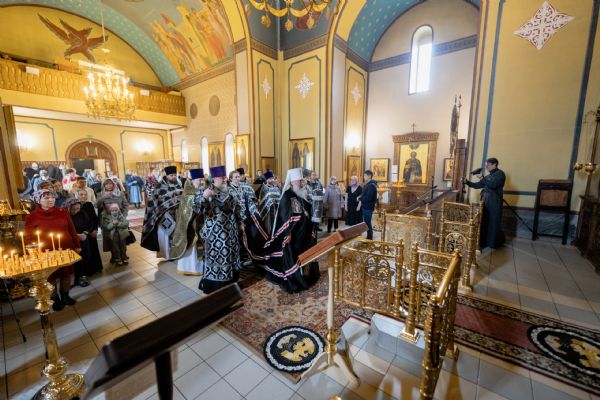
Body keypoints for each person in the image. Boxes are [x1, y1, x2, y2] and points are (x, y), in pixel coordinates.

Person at [262, 168, 320, 293]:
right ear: (293, 182)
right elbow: (284, 217)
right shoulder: (287, 195)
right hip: (294, 234)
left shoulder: (301, 193)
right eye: (299, 180)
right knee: (295, 254)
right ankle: (296, 278)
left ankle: (306, 275)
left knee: (305, 251)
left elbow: (307, 210)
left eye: (301, 180)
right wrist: (288, 233)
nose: (302, 182)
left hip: (304, 232)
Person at [25, 189, 80, 311]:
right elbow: (28, 237)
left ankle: (65, 295)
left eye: (52, 197)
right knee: (51, 276)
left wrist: (77, 245)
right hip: (46, 252)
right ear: (38, 200)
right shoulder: (31, 217)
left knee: (66, 273)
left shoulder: (62, 212)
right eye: (46, 198)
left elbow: (72, 229)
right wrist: (32, 253)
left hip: (65, 249)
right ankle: (55, 298)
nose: (50, 200)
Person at [198, 165, 243, 294]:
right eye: (221, 177)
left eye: (224, 177)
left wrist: (240, 222)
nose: (224, 179)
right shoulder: (207, 191)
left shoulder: (231, 190)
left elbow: (237, 208)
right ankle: (217, 287)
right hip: (215, 234)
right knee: (219, 257)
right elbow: (196, 208)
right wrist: (204, 197)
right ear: (214, 179)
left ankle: (231, 283)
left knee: (231, 256)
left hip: (231, 231)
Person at [141, 166, 183, 259]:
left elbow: (182, 197)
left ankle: (176, 253)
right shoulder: (160, 186)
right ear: (167, 176)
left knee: (177, 234)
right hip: (164, 215)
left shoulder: (179, 184)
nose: (174, 177)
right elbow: (154, 200)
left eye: (175, 175)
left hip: (178, 214)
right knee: (166, 236)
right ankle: (167, 255)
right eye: (171, 175)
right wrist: (164, 207)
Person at [463, 157, 506, 248]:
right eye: (486, 165)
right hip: (485, 202)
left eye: (488, 165)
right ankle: (484, 242)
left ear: (495, 164)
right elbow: (478, 185)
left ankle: (492, 243)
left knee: (493, 222)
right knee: (485, 221)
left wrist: (482, 177)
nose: (486, 167)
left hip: (494, 202)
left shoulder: (500, 174)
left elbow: (493, 185)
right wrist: (467, 182)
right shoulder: (488, 176)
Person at [172, 168, 205, 276]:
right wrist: (203, 199)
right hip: (191, 225)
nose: (202, 182)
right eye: (200, 180)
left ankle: (200, 267)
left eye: (202, 179)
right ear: (193, 180)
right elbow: (191, 207)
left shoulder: (201, 189)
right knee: (192, 245)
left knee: (200, 245)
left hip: (200, 222)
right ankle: (190, 268)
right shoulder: (188, 192)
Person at [63, 198, 93, 286]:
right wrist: (76, 236)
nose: (76, 211)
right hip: (72, 241)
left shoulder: (82, 213)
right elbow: (64, 229)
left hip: (83, 238)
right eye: (73, 209)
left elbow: (89, 223)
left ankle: (82, 276)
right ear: (68, 208)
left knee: (85, 258)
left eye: (78, 208)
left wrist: (85, 233)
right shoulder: (64, 216)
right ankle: (75, 278)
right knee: (75, 260)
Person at [76, 189, 103, 275]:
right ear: (77, 195)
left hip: (92, 231)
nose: (83, 196)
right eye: (81, 194)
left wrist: (95, 229)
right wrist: (85, 232)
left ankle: (97, 268)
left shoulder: (89, 204)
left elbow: (94, 218)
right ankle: (87, 271)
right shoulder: (75, 205)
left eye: (85, 194)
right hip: (82, 233)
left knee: (94, 249)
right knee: (86, 253)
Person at [258, 170, 281, 235]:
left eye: (272, 178)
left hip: (277, 209)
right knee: (270, 226)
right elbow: (262, 200)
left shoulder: (276, 188)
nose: (272, 180)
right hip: (269, 211)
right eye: (270, 179)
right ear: (267, 179)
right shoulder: (264, 188)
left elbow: (280, 197)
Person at [361, 170, 378, 240]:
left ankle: (370, 238)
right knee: (366, 222)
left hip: (368, 207)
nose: (364, 177)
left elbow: (368, 198)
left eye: (365, 175)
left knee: (367, 223)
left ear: (369, 176)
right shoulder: (368, 184)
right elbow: (364, 194)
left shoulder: (371, 186)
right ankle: (369, 236)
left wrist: (360, 198)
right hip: (366, 206)